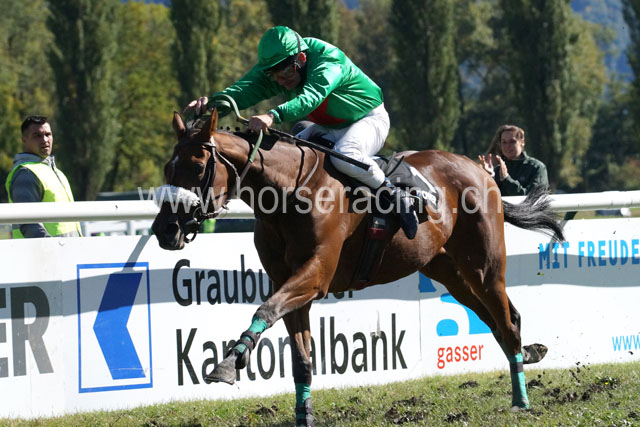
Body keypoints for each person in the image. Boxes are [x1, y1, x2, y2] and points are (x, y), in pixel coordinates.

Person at [185, 26, 418, 239]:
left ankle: (394, 195)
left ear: (302, 59)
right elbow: (243, 90)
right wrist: (211, 105)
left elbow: (311, 98)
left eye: (285, 72)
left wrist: (273, 115)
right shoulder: (279, 66)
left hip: (368, 119)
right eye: (273, 74)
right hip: (329, 126)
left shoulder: (328, 59)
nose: (280, 80)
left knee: (345, 155)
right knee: (287, 157)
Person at [5, 116, 82, 238]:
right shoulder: (26, 173)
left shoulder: (57, 172)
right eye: (37, 135)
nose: (45, 140)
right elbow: (29, 223)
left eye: (48, 134)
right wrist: (50, 247)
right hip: (46, 249)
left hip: (68, 248)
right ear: (24, 140)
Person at [478, 124, 549, 196]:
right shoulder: (497, 170)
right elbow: (486, 197)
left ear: (522, 142)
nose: (507, 146)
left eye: (512, 141)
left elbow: (532, 198)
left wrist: (506, 178)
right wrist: (489, 177)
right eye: (504, 142)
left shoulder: (537, 168)